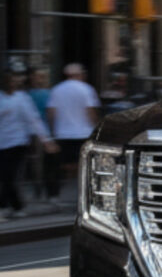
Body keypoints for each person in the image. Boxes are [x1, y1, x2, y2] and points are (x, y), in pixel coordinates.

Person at [0, 60, 58, 219]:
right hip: (2, 142)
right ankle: (13, 206)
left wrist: (46, 140)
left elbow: (33, 120)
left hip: (17, 142)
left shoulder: (22, 98)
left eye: (14, 80)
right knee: (5, 176)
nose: (12, 83)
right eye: (9, 81)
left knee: (9, 176)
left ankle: (10, 206)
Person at [46, 62, 101, 185]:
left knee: (65, 162)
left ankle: (66, 184)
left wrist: (52, 130)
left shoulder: (56, 89)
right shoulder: (86, 89)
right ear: (80, 74)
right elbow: (90, 111)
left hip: (63, 133)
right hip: (84, 132)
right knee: (84, 162)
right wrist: (97, 128)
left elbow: (51, 112)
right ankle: (80, 185)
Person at [28, 67, 61, 205]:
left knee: (44, 163)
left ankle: (45, 190)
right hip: (34, 133)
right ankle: (38, 188)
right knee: (36, 163)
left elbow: (52, 113)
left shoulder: (49, 93)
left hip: (45, 132)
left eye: (42, 76)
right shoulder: (28, 94)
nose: (40, 79)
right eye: (37, 76)